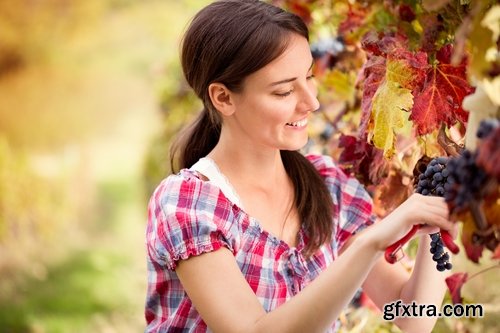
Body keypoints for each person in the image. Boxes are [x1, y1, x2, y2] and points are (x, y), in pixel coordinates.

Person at [145, 1, 456, 332]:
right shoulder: (190, 204)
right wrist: (370, 243)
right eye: (284, 91)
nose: (312, 102)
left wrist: (436, 227)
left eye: (309, 77)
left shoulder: (326, 185)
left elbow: (413, 317)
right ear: (223, 98)